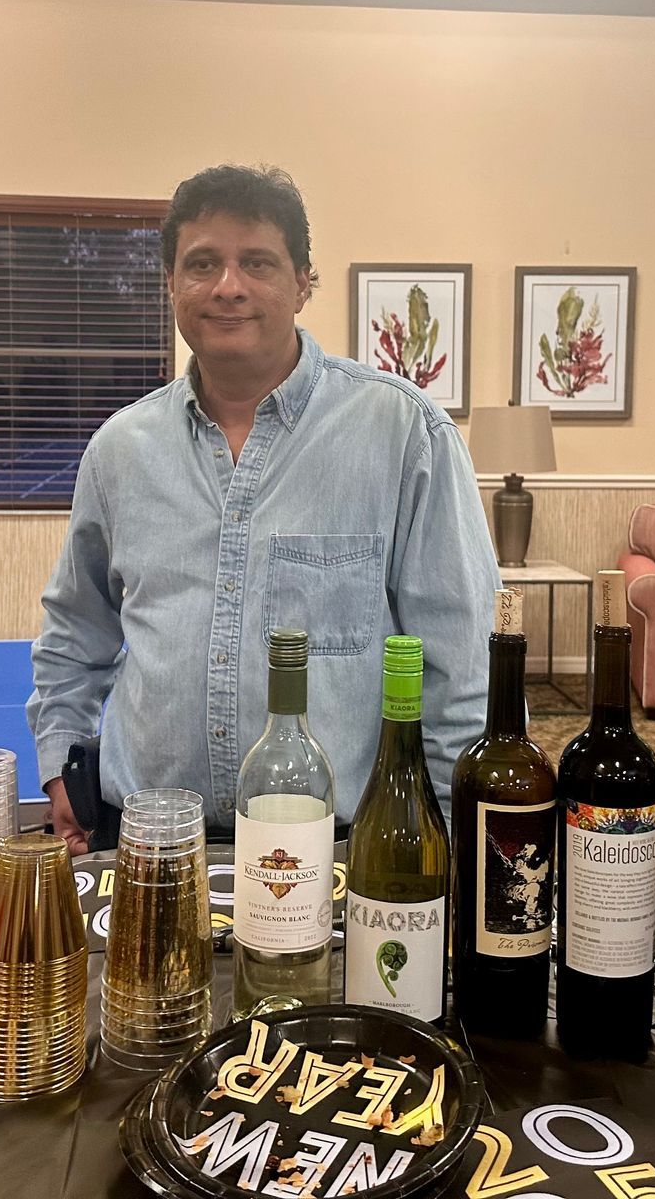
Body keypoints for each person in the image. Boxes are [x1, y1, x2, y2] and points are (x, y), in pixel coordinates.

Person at [27, 164, 499, 853]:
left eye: (257, 262)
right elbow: (75, 627)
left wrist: (448, 840)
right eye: (202, 264)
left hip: (338, 850)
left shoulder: (403, 435)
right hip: (149, 846)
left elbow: (463, 667)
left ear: (304, 281)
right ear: (171, 282)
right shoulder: (119, 451)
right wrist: (62, 756)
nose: (228, 286)